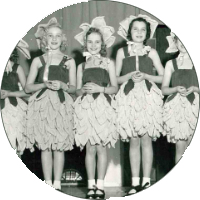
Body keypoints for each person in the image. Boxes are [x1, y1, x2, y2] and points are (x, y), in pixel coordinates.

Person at [25, 17, 76, 191]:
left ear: (63, 39)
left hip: (61, 106)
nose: (54, 39)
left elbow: (74, 87)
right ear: (45, 39)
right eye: (50, 36)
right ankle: (47, 184)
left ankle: (57, 184)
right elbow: (27, 87)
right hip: (43, 105)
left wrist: (63, 85)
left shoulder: (69, 60)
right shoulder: (38, 61)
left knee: (59, 146)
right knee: (46, 145)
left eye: (58, 36)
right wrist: (43, 85)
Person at [115, 15, 164, 195]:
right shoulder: (122, 52)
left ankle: (146, 182)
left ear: (147, 33)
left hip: (148, 97)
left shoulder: (151, 52)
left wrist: (147, 76)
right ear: (129, 32)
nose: (139, 33)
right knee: (133, 140)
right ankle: (135, 182)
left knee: (146, 140)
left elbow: (162, 76)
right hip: (128, 98)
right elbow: (116, 78)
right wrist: (128, 76)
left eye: (143, 30)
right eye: (135, 29)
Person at [74, 16, 118, 199]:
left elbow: (115, 87)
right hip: (86, 108)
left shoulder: (108, 63)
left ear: (103, 44)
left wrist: (101, 89)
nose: (93, 45)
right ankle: (91, 185)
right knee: (90, 148)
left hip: (103, 107)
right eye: (90, 42)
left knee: (101, 147)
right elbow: (76, 90)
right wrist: (81, 90)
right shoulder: (81, 65)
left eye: (97, 42)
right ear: (85, 43)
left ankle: (100, 185)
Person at [162, 32, 199, 163]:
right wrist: (175, 89)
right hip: (177, 108)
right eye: (180, 40)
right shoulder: (170, 64)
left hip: (195, 107)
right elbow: (164, 89)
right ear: (175, 42)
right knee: (180, 147)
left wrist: (195, 89)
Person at [1, 40, 30, 157]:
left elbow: (27, 91)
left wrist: (9, 94)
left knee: (14, 141)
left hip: (12, 109)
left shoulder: (17, 68)